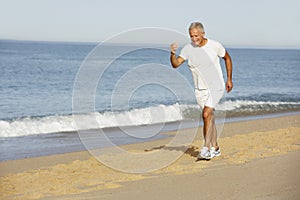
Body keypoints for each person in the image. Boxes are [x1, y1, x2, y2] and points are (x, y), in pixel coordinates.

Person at [170, 22, 233, 159]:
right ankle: (216, 148)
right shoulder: (188, 49)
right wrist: (172, 53)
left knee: (206, 114)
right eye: (191, 36)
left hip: (216, 86)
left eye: (196, 36)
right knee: (209, 118)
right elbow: (175, 65)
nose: (194, 39)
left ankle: (206, 148)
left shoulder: (215, 45)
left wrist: (229, 79)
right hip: (200, 90)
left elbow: (227, 58)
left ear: (203, 34)